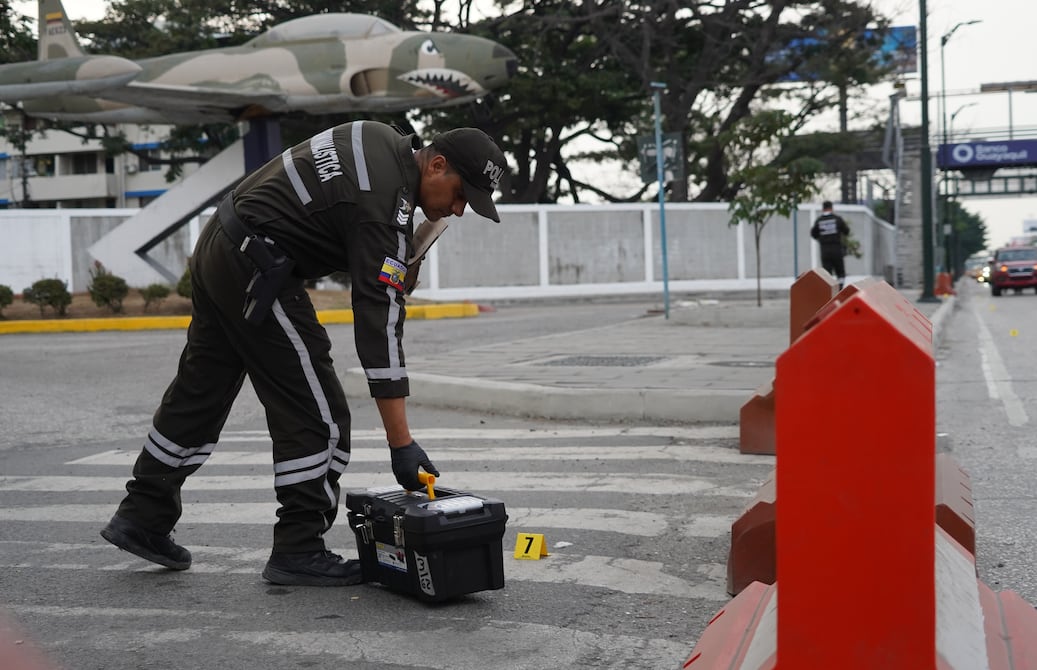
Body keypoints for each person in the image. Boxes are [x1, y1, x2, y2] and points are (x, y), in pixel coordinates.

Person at [99, 121, 508, 586]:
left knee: (201, 390)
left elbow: (333, 217)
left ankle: (142, 514)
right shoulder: (384, 207)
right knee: (322, 418)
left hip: (222, 242)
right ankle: (299, 547)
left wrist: (404, 249)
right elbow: (379, 323)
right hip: (259, 264)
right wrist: (402, 445)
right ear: (436, 165)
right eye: (460, 195)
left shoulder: (378, 138)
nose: (456, 210)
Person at [810, 200, 851, 288]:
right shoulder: (837, 219)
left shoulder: (819, 221)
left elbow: (813, 234)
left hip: (825, 250)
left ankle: (829, 292)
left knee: (827, 273)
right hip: (837, 249)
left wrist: (821, 238)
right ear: (831, 208)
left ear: (823, 209)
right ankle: (840, 289)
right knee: (840, 272)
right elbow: (846, 231)